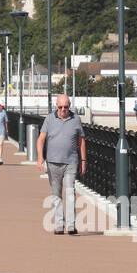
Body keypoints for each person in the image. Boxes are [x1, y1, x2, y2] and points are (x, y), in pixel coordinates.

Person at [36, 94, 86, 235]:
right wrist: (40, 157)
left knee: (70, 192)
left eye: (66, 107)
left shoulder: (76, 119)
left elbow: (81, 141)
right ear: (56, 106)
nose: (63, 109)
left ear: (69, 106)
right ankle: (59, 225)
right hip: (53, 162)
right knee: (56, 194)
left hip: (71, 162)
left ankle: (70, 225)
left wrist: (83, 161)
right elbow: (41, 139)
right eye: (60, 107)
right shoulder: (49, 119)